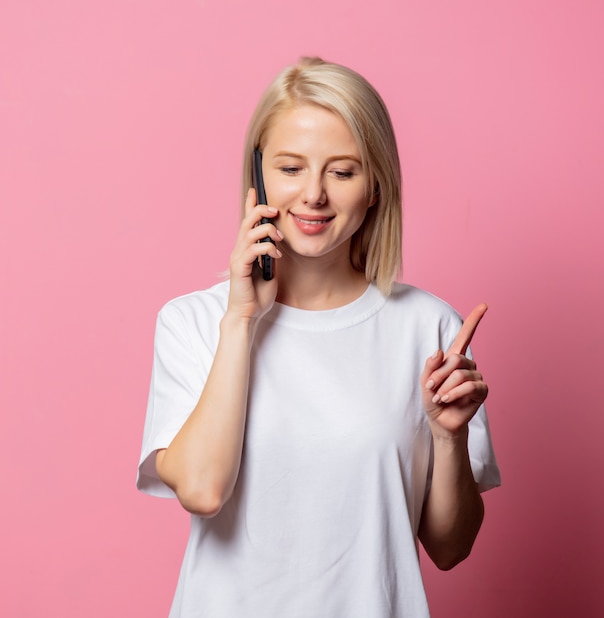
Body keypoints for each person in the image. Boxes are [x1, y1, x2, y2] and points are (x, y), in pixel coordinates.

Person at [137, 56, 500, 618]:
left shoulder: (429, 329)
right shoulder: (191, 323)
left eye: (343, 171)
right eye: (290, 168)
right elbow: (203, 491)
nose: (313, 195)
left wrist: (449, 437)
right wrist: (240, 320)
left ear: (375, 186)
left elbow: (449, 550)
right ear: (258, 177)